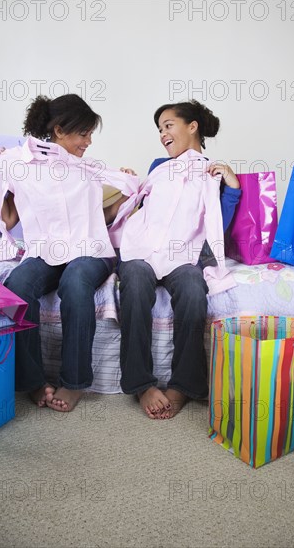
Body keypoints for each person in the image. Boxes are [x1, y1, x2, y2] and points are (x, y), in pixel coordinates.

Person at [0, 94, 140, 412]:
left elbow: (105, 218)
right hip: (45, 251)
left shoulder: (88, 169)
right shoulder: (20, 165)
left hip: (90, 249)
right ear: (59, 130)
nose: (89, 141)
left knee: (76, 281)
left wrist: (127, 192)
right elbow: (9, 220)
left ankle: (75, 381)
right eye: (84, 133)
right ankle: (33, 380)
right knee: (17, 287)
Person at [110, 100, 241, 419]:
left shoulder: (212, 172)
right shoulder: (159, 166)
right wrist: (128, 183)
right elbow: (141, 209)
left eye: (168, 125)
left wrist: (231, 185)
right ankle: (141, 384)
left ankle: (183, 385)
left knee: (194, 288)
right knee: (137, 278)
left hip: (183, 255)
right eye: (159, 129)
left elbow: (217, 228)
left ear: (192, 126)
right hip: (142, 251)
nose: (162, 134)